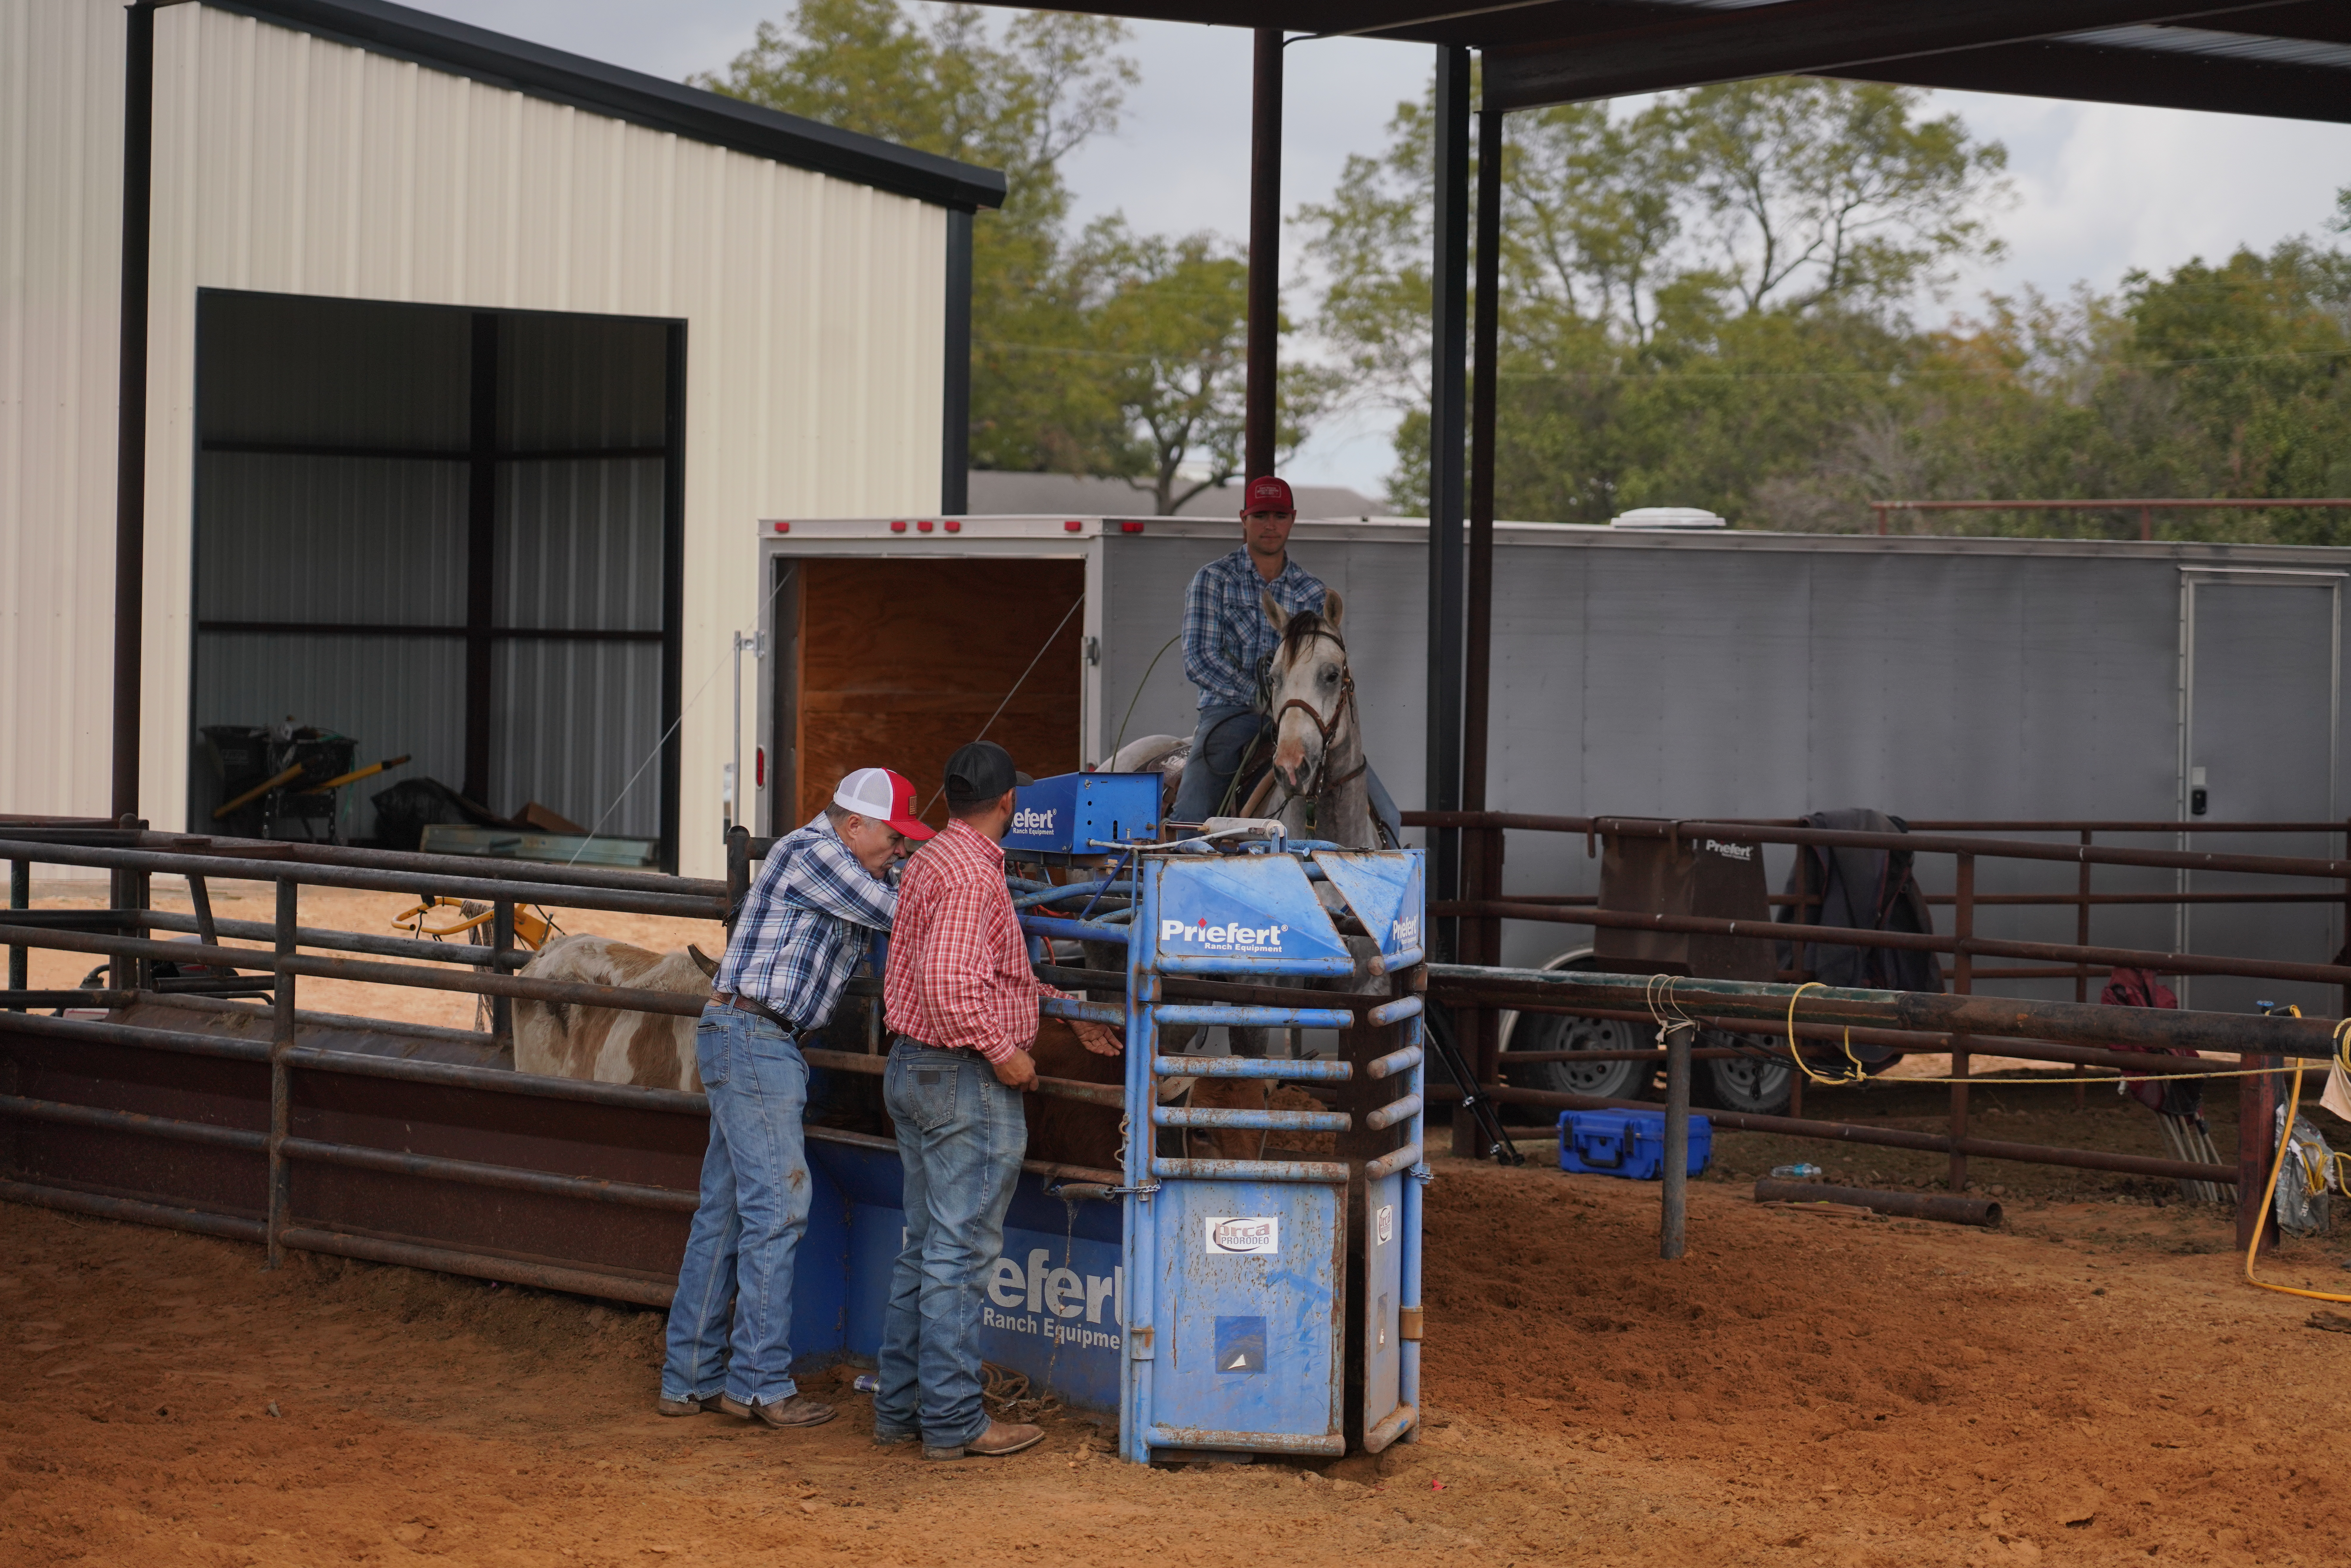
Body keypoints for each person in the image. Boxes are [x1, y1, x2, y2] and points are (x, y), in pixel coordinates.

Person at [658, 767, 932, 1429]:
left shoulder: (831, 856)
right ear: (854, 824)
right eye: (894, 838)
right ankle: (757, 1384)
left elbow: (897, 890)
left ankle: (689, 1377)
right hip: (758, 1038)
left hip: (748, 1034)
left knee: (727, 1212)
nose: (899, 850)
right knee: (778, 1209)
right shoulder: (815, 854)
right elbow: (904, 913)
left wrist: (913, 870)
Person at [873, 741, 1121, 1460]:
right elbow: (953, 985)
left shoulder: (931, 861)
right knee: (960, 1253)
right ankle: (953, 1419)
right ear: (1010, 800)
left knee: (925, 1247)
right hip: (962, 1079)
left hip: (916, 1067)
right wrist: (1004, 1051)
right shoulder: (973, 876)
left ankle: (901, 1406)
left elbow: (979, 973)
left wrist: (1061, 1008)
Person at [1170, 474, 1401, 840]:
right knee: (1192, 814)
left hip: (1306, 715)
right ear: (1244, 519)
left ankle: (1384, 859)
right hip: (1231, 715)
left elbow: (1328, 665)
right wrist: (1258, 694)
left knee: (1388, 815)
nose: (1270, 525)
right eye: (1260, 516)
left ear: (1292, 520)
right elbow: (1200, 658)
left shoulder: (1312, 591)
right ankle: (1183, 858)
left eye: (1279, 516)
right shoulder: (1213, 580)